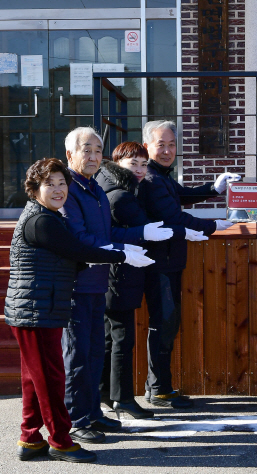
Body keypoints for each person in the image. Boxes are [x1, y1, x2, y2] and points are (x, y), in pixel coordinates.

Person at [4, 157, 153, 463]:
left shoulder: (50, 216)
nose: (58, 190)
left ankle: (30, 438)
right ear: (34, 188)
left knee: (35, 380)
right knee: (51, 378)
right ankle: (60, 440)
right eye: (50, 184)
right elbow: (77, 250)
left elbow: (72, 258)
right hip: (35, 310)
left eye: (62, 183)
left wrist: (112, 254)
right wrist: (121, 255)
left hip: (42, 308)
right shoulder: (41, 220)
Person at [60, 127, 174, 444]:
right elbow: (79, 238)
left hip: (98, 284)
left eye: (98, 150)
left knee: (96, 351)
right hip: (77, 285)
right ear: (70, 154)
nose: (94, 156)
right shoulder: (68, 189)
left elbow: (110, 233)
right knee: (78, 355)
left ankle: (94, 413)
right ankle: (76, 419)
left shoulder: (94, 189)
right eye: (87, 149)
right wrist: (120, 252)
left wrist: (136, 238)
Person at [96, 141, 208, 419]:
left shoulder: (117, 184)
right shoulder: (121, 195)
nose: (139, 169)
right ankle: (122, 398)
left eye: (143, 164)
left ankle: (104, 394)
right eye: (132, 163)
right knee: (121, 338)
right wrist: (183, 231)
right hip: (119, 272)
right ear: (117, 162)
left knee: (112, 337)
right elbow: (147, 225)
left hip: (116, 271)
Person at [141, 120, 239, 408]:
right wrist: (215, 225)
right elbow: (176, 218)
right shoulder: (150, 178)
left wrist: (213, 189)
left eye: (172, 144)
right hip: (159, 263)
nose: (168, 150)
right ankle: (158, 388)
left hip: (168, 261)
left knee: (167, 322)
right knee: (164, 323)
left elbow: (181, 196)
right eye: (161, 144)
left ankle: (159, 386)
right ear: (147, 147)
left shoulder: (161, 177)